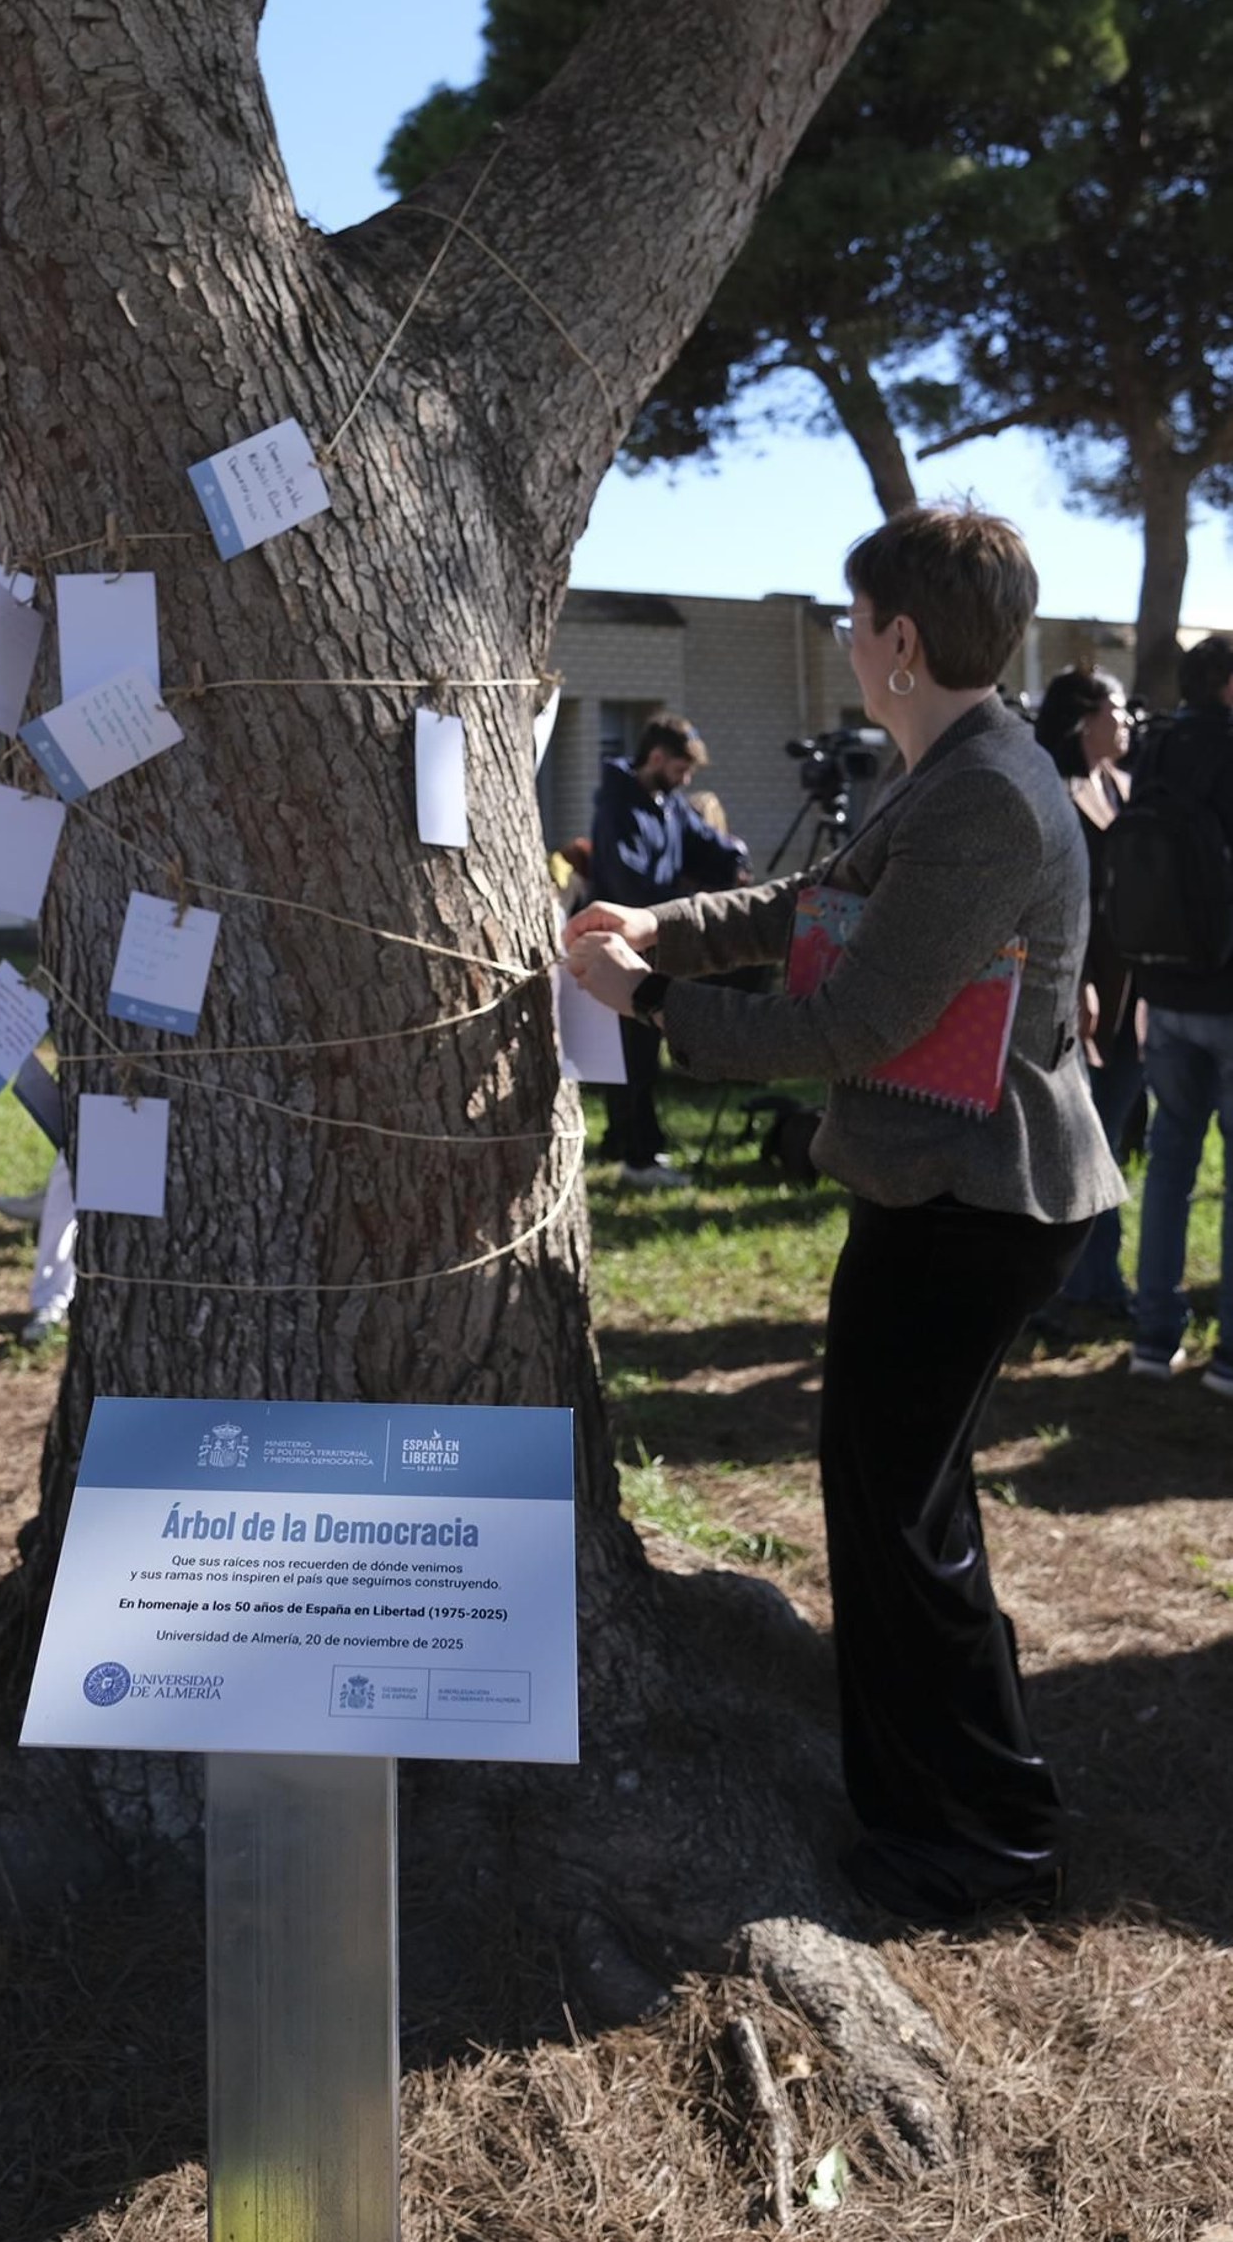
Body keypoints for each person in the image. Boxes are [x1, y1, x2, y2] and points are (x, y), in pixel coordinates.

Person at [565, 505, 1121, 1926]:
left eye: (850, 619)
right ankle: (966, 1810)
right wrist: (655, 930)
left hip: (973, 1203)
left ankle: (976, 1843)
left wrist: (649, 1004)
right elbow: (815, 905)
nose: (843, 640)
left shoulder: (989, 791)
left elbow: (853, 1018)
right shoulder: (964, 764)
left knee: (898, 1521)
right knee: (903, 1510)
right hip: (948, 1195)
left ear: (900, 640)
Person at [1128, 634, 1233, 1393]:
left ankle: (1152, 1336)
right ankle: (1230, 1356)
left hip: (1163, 987)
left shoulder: (1155, 748)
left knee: (1169, 1163)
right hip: (1230, 992)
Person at [588, 714, 747, 1185]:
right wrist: (684, 897)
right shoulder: (617, 808)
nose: (685, 780)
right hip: (622, 949)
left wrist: (734, 861)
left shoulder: (668, 805)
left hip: (655, 947)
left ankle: (631, 1144)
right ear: (655, 757)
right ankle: (636, 1155)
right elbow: (628, 884)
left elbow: (709, 847)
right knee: (632, 1056)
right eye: (680, 769)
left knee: (642, 1054)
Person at [1030, 666, 1142, 1325]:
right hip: (1075, 994)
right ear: (1081, 719)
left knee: (1110, 1142)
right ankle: (1061, 1288)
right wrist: (1074, 984)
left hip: (1132, 992)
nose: (1126, 721)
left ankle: (1099, 1280)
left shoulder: (1123, 785)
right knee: (1074, 1145)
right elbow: (1050, 904)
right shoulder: (1052, 790)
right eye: (1116, 710)